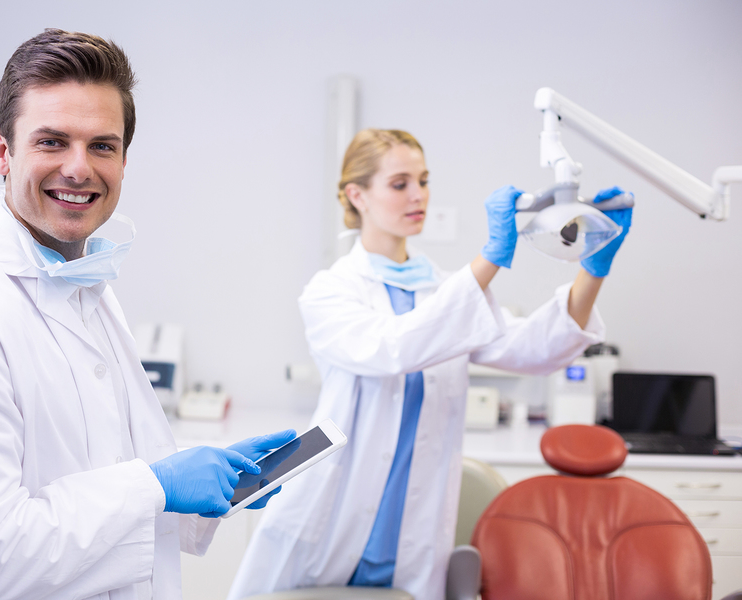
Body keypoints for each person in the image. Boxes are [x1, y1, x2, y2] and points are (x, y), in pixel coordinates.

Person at [0, 29, 294, 600]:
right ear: (2, 151)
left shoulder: (87, 288)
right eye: (52, 141)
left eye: (103, 145)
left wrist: (214, 484)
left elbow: (109, 474)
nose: (79, 169)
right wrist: (156, 484)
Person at [228, 129, 631, 600]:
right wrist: (489, 259)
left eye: (423, 180)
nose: (419, 194)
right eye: (400, 183)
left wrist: (594, 266)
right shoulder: (331, 290)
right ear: (357, 195)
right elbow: (394, 348)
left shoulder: (442, 290)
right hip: (329, 512)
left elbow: (534, 349)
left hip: (410, 530)